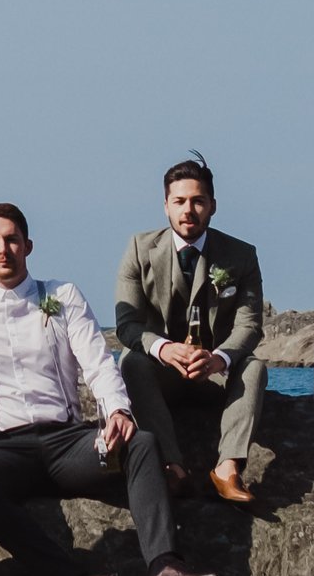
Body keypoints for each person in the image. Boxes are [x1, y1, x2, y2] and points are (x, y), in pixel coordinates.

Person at [0, 204, 218, 576]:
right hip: (1, 447)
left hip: (68, 443)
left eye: (13, 240)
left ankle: (164, 570)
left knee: (141, 444)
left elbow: (98, 361)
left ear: (28, 246)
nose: (4, 249)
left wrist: (118, 411)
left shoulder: (61, 295)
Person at [115, 153, 269, 508]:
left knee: (255, 366)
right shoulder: (139, 249)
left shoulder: (241, 255)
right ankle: (173, 468)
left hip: (214, 376)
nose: (189, 210)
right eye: (180, 201)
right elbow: (127, 324)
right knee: (131, 361)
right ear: (165, 206)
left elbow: (250, 326)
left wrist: (218, 359)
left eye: (198, 201)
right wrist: (164, 350)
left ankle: (228, 468)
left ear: (212, 206)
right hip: (163, 375)